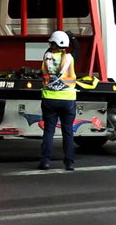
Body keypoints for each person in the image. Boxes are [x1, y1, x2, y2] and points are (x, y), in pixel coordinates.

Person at [39, 29, 77, 172]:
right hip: (67, 100)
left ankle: (45, 161)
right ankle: (69, 163)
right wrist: (72, 37)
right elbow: (76, 50)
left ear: (53, 43)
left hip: (49, 99)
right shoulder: (70, 59)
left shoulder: (46, 57)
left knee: (49, 131)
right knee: (68, 132)